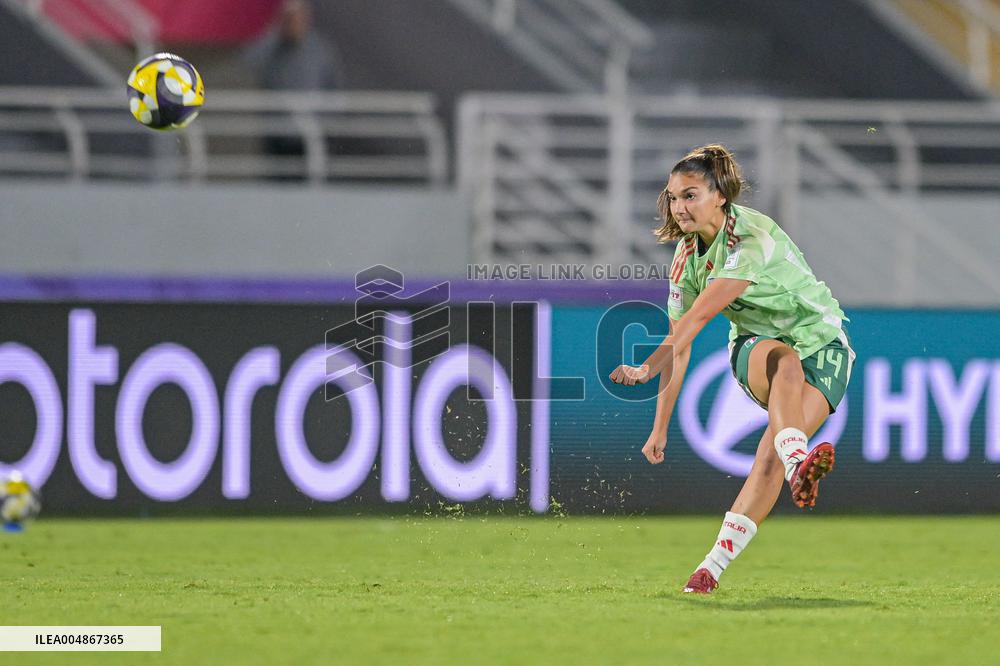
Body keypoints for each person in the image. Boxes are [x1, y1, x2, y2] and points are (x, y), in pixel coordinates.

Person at [609, 144, 855, 594]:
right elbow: (682, 344)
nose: (679, 207)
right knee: (783, 360)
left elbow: (699, 318)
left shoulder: (750, 239)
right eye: (673, 197)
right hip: (758, 349)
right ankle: (799, 458)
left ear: (719, 194)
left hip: (824, 344)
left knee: (767, 458)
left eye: (690, 195)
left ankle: (709, 570)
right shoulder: (685, 260)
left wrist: (644, 368)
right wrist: (659, 425)